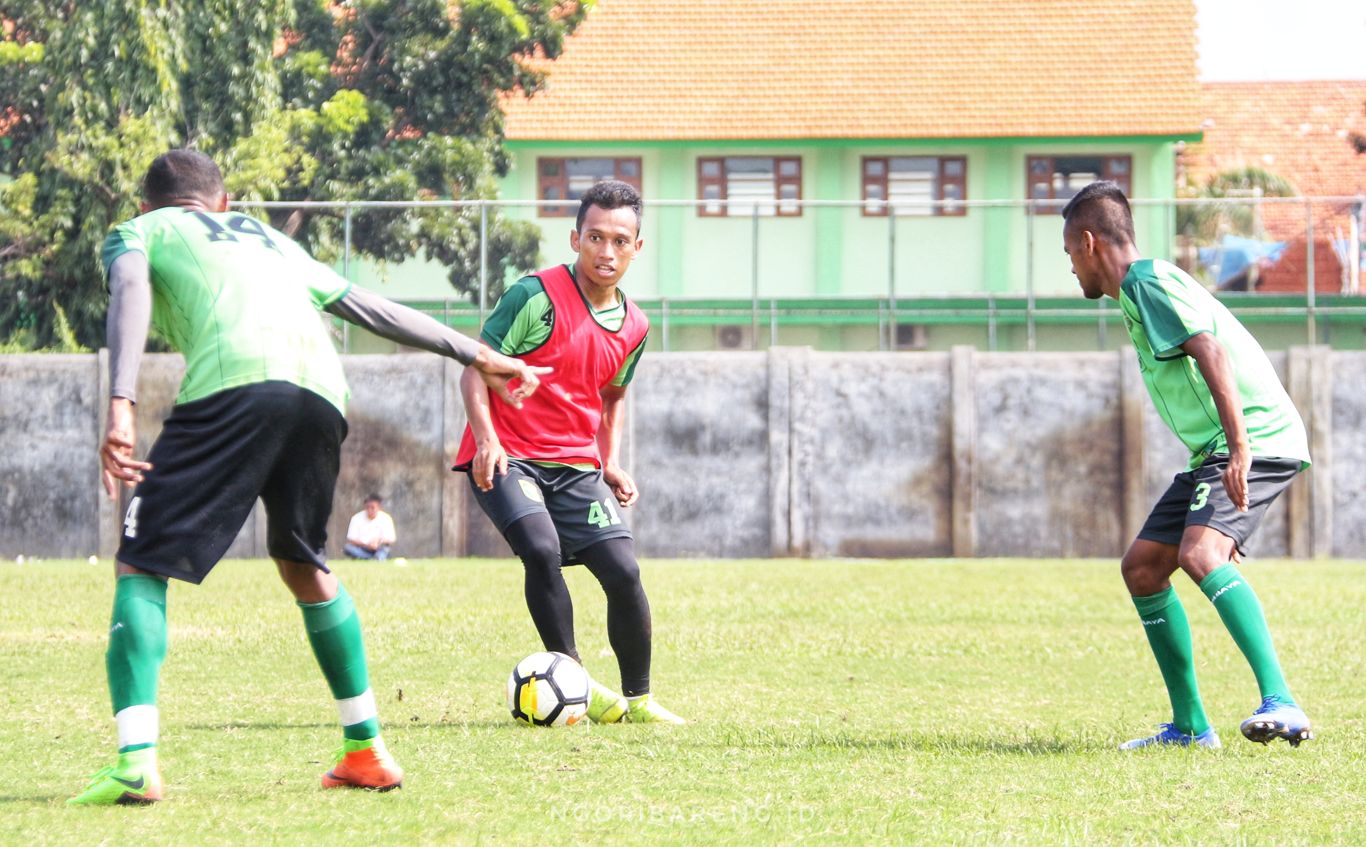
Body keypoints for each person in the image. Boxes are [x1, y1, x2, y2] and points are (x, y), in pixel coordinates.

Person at [74, 149, 549, 806]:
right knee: (303, 559)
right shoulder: (269, 239)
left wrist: (121, 399)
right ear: (223, 204)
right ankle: (366, 749)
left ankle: (135, 761)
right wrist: (478, 351)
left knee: (140, 561)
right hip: (322, 392)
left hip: (235, 383)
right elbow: (372, 308)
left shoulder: (141, 231)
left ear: (148, 206)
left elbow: (129, 288)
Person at [1061, 181, 1313, 750]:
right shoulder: (1140, 290)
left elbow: (1211, 352)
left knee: (1202, 555)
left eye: (1070, 255)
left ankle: (1283, 701)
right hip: (1215, 452)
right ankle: (1191, 728)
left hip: (1252, 439)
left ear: (1089, 242)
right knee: (1144, 569)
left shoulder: (1146, 283)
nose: (1071, 268)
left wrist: (1240, 451)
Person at [455, 180, 683, 725]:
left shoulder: (635, 325)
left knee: (624, 572)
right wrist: (487, 439)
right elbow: (474, 369)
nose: (607, 252)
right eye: (596, 238)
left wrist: (611, 460)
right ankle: (576, 682)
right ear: (575, 238)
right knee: (541, 548)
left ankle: (640, 700)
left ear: (637, 247)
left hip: (576, 465)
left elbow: (612, 398)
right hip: (509, 455)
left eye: (621, 241)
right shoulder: (533, 296)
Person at [345, 495, 397, 560]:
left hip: (379, 547)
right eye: (367, 507)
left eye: (372, 508)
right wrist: (366, 545)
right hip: (362, 547)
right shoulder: (356, 518)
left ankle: (372, 558)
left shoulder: (386, 518)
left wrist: (378, 541)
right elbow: (352, 538)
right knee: (348, 548)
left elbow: (391, 538)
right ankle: (372, 558)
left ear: (379, 507)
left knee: (385, 550)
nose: (369, 510)